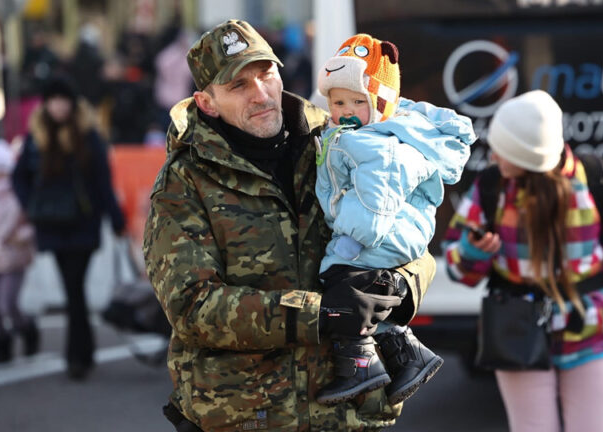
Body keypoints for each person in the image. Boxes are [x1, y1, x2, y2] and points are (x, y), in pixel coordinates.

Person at [142, 20, 437, 432]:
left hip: (352, 413)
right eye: (238, 85)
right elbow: (192, 305)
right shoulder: (185, 180)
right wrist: (321, 314)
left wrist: (401, 286)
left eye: (266, 74)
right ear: (207, 103)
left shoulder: (336, 141)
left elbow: (413, 235)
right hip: (247, 417)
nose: (260, 93)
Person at [443, 90, 603, 432]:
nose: (494, 156)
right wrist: (473, 252)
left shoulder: (594, 179)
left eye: (503, 149)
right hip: (516, 333)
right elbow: (457, 270)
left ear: (526, 156)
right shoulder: (491, 188)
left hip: (592, 332)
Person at [313, 33, 476, 405]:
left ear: (381, 103)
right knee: (365, 293)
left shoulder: (377, 144)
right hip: (388, 229)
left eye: (359, 101)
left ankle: (359, 364)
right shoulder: (357, 133)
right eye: (338, 102)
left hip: (379, 231)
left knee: (342, 285)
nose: (346, 110)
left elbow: (376, 197)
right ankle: (407, 353)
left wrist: (352, 240)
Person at [12, 77, 126, 380]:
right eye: (53, 100)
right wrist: (30, 204)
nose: (58, 106)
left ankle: (77, 357)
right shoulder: (36, 137)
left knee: (74, 287)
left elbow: (103, 180)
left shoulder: (87, 136)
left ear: (73, 103)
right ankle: (82, 352)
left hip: (82, 224)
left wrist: (116, 218)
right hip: (51, 224)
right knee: (72, 289)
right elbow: (18, 176)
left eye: (63, 100)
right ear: (46, 104)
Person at [0, 139, 38, 363]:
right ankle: (1, 344)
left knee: (8, 303)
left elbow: (30, 227)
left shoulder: (18, 196)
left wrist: (17, 239)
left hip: (13, 259)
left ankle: (27, 328)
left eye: (2, 169)